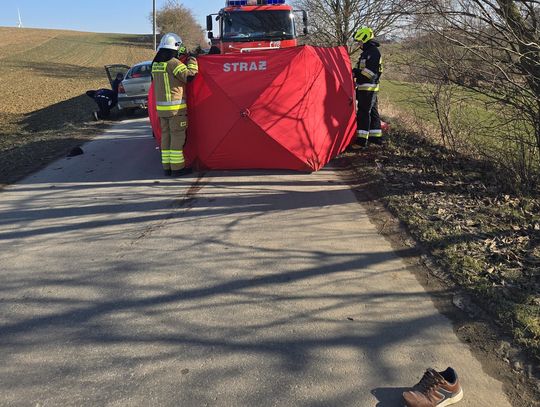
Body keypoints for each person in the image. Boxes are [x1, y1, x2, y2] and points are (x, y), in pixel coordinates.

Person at [151, 33, 198, 176]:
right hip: (176, 110)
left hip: (162, 110)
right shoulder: (174, 63)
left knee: (166, 137)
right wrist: (192, 60)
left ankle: (167, 167)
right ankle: (178, 169)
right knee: (177, 138)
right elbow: (189, 76)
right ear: (175, 48)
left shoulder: (155, 64)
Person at [351, 26, 383, 148]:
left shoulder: (373, 53)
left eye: (359, 41)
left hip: (368, 87)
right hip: (367, 87)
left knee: (363, 112)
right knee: (373, 112)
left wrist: (355, 73)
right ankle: (376, 138)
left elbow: (369, 73)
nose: (358, 44)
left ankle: (361, 141)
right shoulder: (367, 52)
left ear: (364, 39)